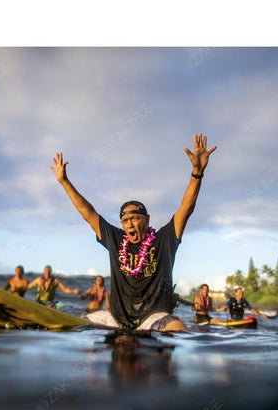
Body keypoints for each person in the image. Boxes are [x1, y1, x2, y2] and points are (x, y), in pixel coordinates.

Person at [51, 133, 217, 331]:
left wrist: (197, 173)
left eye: (134, 218)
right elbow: (88, 213)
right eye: (125, 220)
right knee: (76, 326)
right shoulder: (115, 238)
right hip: (117, 320)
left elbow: (185, 208)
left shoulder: (165, 239)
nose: (129, 224)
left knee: (178, 329)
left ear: (147, 219)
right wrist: (64, 182)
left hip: (154, 318)